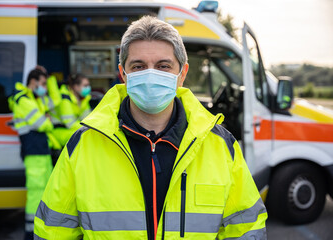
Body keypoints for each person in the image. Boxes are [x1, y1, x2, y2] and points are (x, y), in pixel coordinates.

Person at [34, 16, 267, 239]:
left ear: (182, 74)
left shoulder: (220, 145)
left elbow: (246, 230)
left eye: (163, 66)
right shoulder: (83, 146)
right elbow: (54, 231)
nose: (150, 75)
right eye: (138, 66)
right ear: (123, 74)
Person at [9, 69, 53, 240]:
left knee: (44, 192)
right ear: (33, 82)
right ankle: (30, 232)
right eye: (42, 84)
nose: (44, 88)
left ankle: (39, 228)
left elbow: (49, 109)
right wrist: (46, 120)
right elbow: (43, 124)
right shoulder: (24, 100)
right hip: (34, 152)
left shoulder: (32, 99)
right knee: (36, 192)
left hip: (40, 151)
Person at [50, 73, 92, 147]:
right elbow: (70, 123)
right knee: (84, 137)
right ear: (76, 87)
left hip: (71, 130)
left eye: (88, 85)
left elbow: (88, 120)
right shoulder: (64, 98)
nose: (88, 88)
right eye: (85, 86)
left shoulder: (83, 99)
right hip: (58, 131)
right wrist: (89, 128)